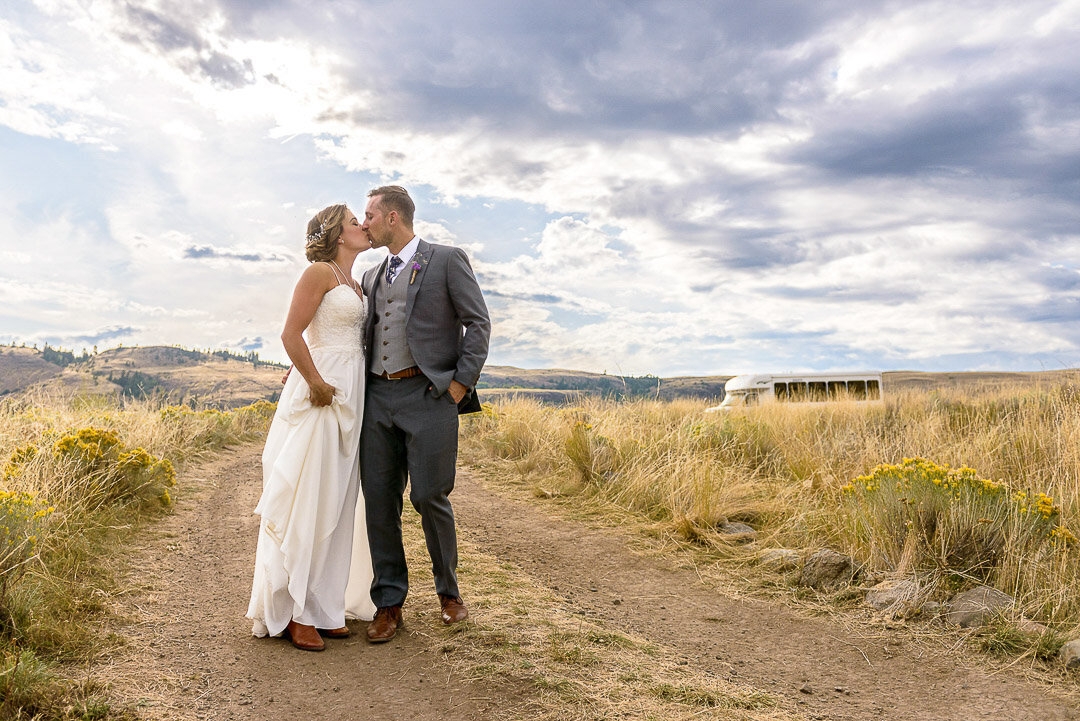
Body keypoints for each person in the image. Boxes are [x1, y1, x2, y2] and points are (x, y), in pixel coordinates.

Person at [359, 185, 490, 643]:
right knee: (379, 500)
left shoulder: (447, 259)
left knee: (430, 496)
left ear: (393, 217)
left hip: (430, 395)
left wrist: (459, 385)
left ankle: (449, 594)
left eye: (370, 215)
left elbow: (479, 323)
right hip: (376, 397)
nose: (364, 223)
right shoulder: (371, 275)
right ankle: (388, 604)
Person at [246, 203, 376, 652]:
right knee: (310, 496)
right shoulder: (319, 273)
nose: (363, 225)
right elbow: (291, 334)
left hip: (354, 393)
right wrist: (315, 382)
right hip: (322, 393)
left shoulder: (356, 283)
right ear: (338, 233)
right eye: (355, 220)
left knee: (340, 499)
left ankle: (324, 605)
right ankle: (295, 610)